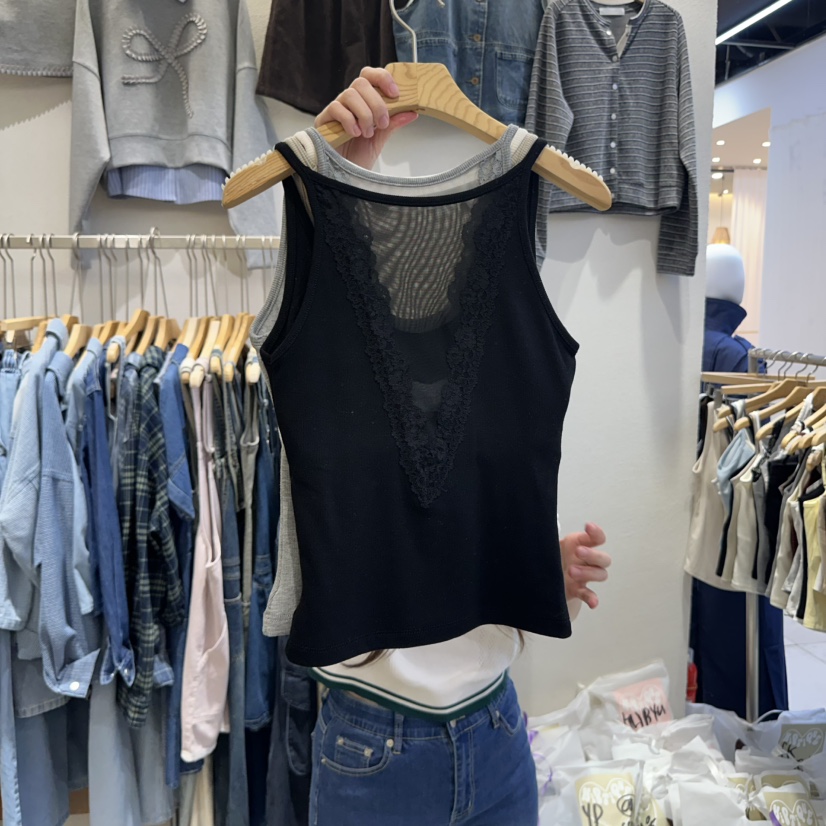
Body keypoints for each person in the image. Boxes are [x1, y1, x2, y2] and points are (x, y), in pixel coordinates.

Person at [296, 67, 614, 826]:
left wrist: (533, 566)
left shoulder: (516, 253)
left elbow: (466, 507)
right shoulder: (315, 268)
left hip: (499, 729)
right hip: (372, 750)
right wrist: (341, 171)